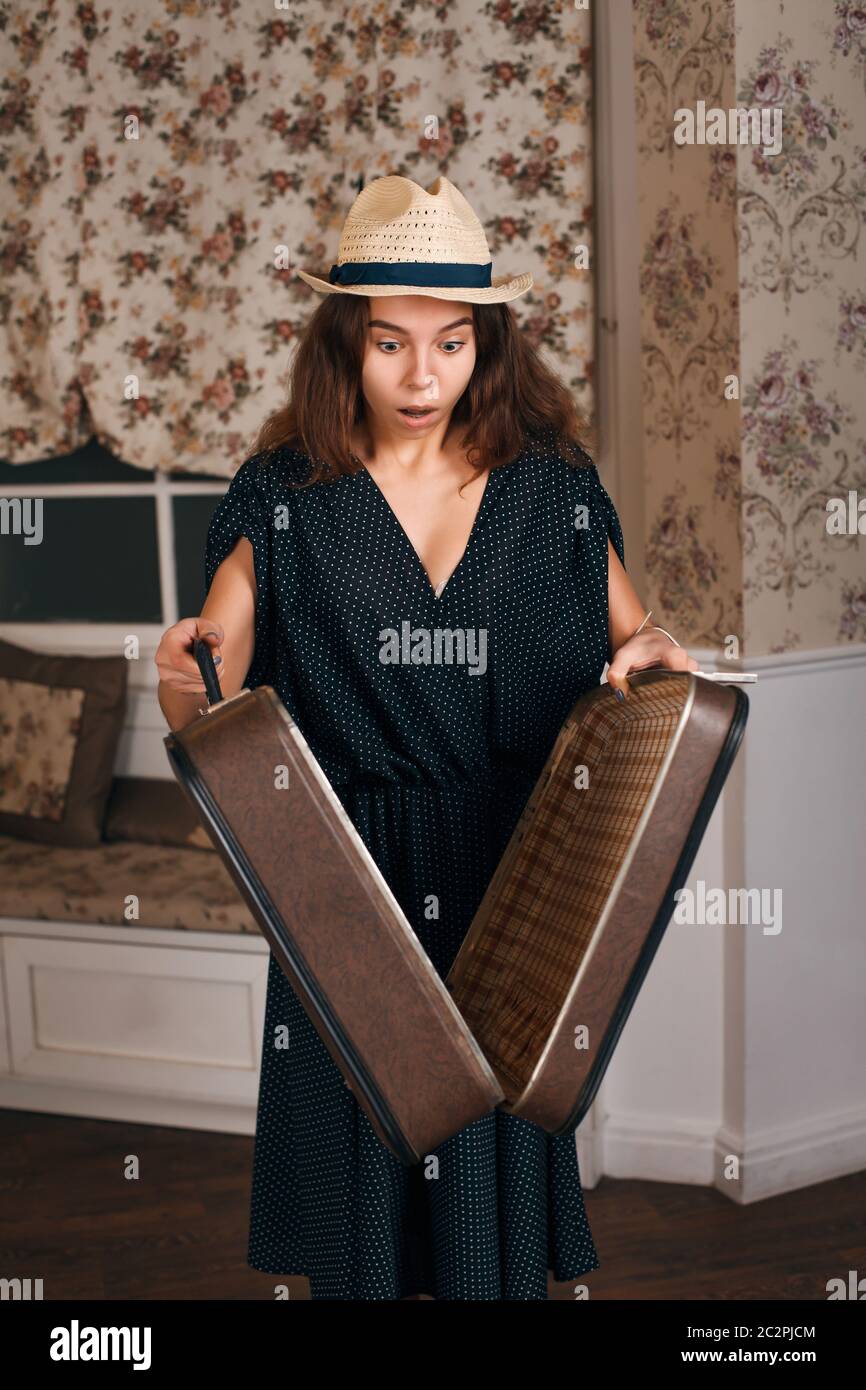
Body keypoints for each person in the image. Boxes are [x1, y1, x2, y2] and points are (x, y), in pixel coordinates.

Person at [156, 175, 698, 1300]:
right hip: (341, 877)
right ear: (342, 346)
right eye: (389, 345)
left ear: (485, 345)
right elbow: (209, 680)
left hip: (513, 877)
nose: (420, 378)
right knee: (363, 1199)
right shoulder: (284, 494)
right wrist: (180, 679)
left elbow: (638, 637)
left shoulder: (552, 491)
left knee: (485, 1203)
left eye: (449, 344)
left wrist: (657, 653)